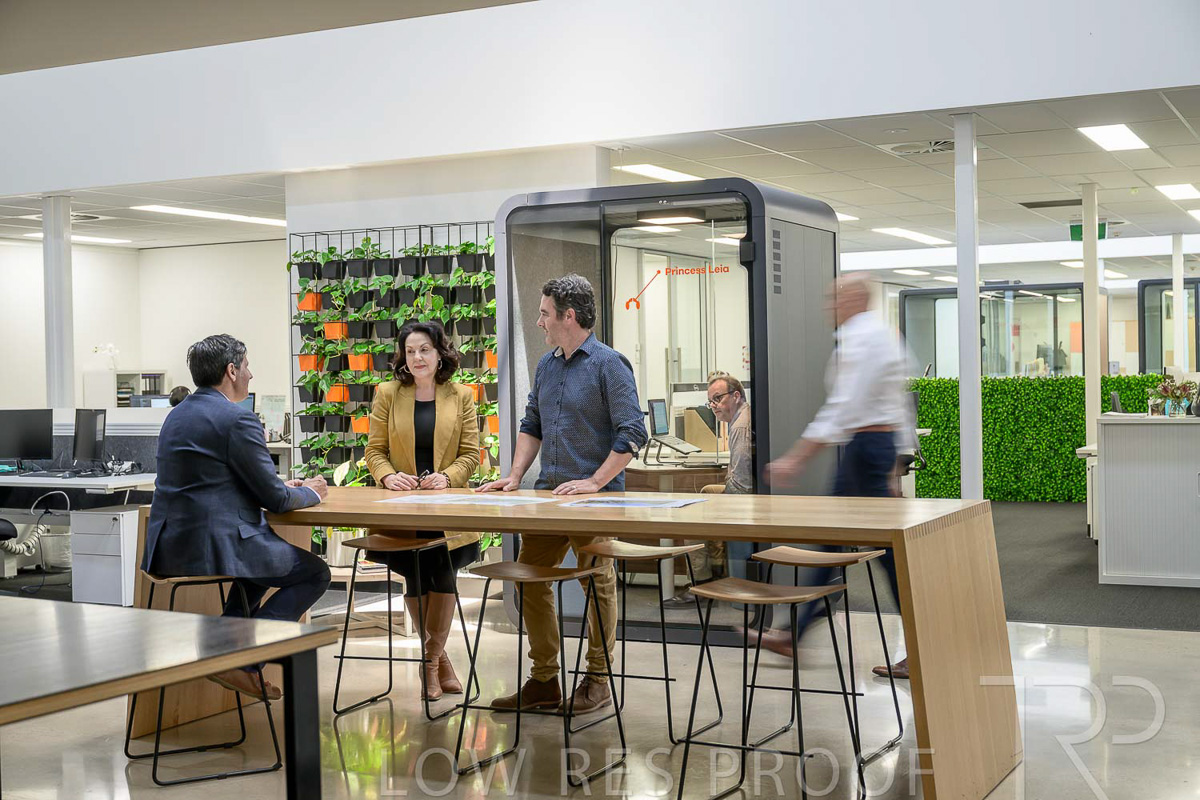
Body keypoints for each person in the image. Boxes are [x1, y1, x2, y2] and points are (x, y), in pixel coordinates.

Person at [478, 274, 647, 713]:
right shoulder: (547, 365)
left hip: (596, 501)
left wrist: (595, 482)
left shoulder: (610, 365)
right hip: (550, 498)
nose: (539, 322)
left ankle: (598, 680)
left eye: (544, 314)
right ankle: (544, 680)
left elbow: (633, 432)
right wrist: (514, 475)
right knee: (528, 579)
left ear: (568, 316)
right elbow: (531, 424)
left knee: (597, 583)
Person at [144, 335, 330, 700]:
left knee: (255, 573)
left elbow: (212, 481)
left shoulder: (176, 416)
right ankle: (242, 659)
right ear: (231, 370)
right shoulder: (237, 418)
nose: (250, 374)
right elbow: (276, 500)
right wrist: (312, 493)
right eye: (246, 366)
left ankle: (226, 651)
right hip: (215, 545)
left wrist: (275, 484)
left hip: (169, 546)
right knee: (315, 573)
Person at [764, 272, 915, 677]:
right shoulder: (881, 335)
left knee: (881, 552)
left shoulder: (861, 339)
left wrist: (797, 458)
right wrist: (895, 467)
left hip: (864, 450)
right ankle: (794, 633)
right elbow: (897, 404)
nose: (828, 306)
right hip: (872, 449)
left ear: (854, 299)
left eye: (834, 298)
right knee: (838, 544)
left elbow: (844, 407)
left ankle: (920, 647)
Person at [363, 320, 481, 700]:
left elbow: (471, 454)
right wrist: (388, 476)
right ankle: (438, 660)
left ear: (439, 353)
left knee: (442, 570)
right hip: (404, 508)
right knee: (416, 573)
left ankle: (429, 663)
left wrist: (447, 477)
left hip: (447, 510)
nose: (417, 357)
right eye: (410, 351)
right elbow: (374, 450)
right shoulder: (387, 393)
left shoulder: (461, 396)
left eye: (424, 350)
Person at [662, 372, 752, 606]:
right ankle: (715, 571)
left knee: (693, 514)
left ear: (736, 396)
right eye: (710, 401)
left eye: (718, 398)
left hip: (745, 500)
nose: (713, 406)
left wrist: (722, 506)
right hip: (744, 493)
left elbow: (741, 483)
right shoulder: (740, 418)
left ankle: (701, 584)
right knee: (705, 493)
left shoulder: (740, 425)